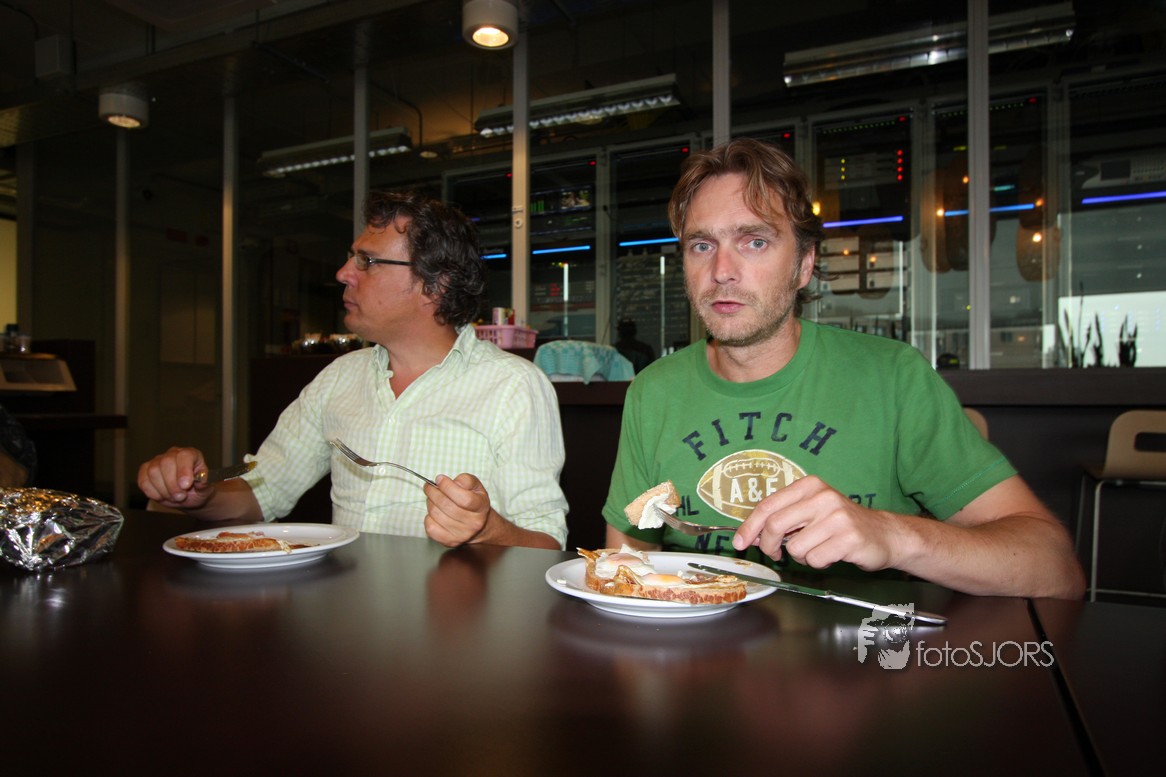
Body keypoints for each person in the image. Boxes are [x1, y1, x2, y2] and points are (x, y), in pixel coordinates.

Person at [601, 138, 1085, 599]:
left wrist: (892, 535)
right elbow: (627, 559)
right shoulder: (654, 391)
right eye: (702, 245)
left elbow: (1056, 569)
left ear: (804, 264)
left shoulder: (892, 378)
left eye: (755, 242)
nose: (722, 270)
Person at [139, 190, 568, 550]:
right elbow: (260, 493)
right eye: (351, 258)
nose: (344, 273)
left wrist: (486, 528)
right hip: (344, 612)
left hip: (457, 619)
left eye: (367, 261)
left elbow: (547, 544)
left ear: (434, 285)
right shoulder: (338, 378)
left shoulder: (513, 385)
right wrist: (196, 492)